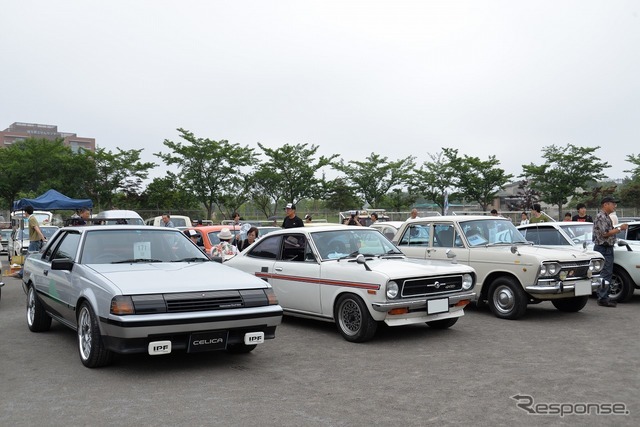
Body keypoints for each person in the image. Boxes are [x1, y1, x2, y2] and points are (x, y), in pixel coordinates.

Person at [592, 196, 629, 308]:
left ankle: (604, 297)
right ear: (605, 205)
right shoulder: (601, 216)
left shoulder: (606, 216)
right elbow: (605, 233)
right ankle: (603, 298)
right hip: (603, 247)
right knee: (605, 273)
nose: (614, 206)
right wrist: (620, 229)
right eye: (613, 204)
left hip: (607, 247)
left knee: (607, 272)